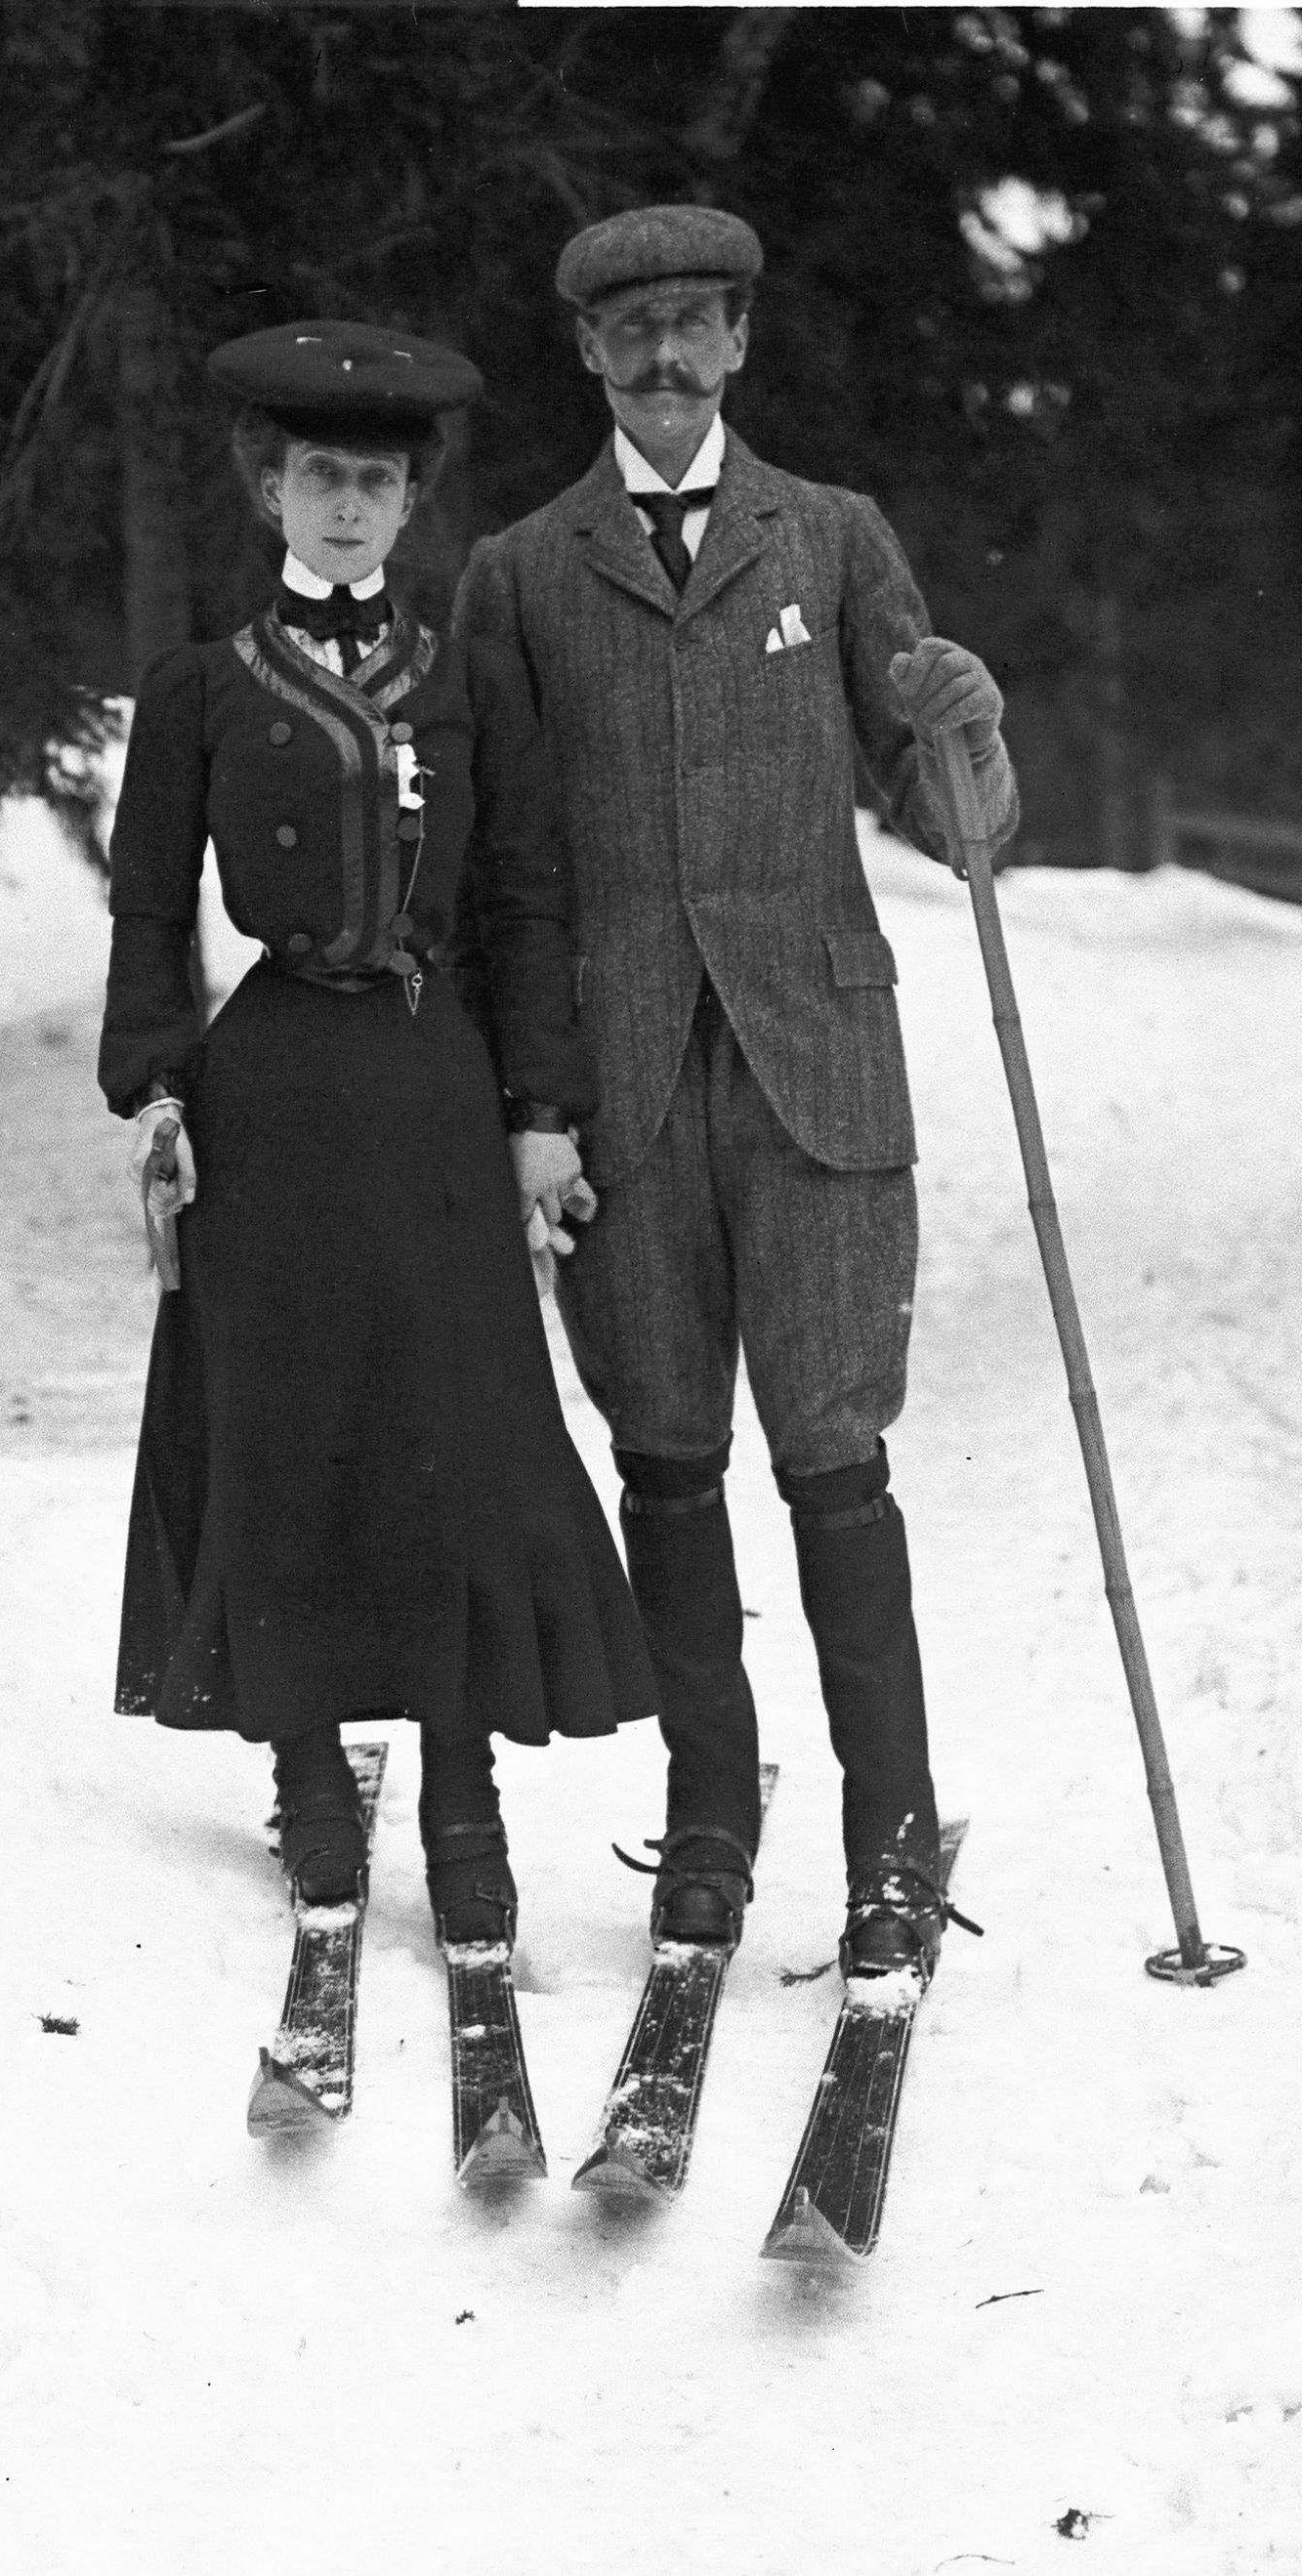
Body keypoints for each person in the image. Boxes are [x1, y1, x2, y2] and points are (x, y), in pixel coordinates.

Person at [450, 207, 1019, 1976]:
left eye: (700, 326)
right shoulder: (522, 574)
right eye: (637, 333)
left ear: (744, 342)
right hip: (620, 1086)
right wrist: (526, 1105)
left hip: (818, 1075)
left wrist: (971, 728)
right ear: (589, 357)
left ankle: (891, 1840)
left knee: (838, 1460)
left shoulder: (832, 539)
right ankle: (712, 1821)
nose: (671, 359)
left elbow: (962, 827)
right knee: (670, 1461)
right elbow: (498, 879)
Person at [100, 317, 653, 1950]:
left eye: (377, 481)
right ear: (271, 492)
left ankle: (465, 1799)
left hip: (428, 1079)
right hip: (272, 1091)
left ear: (413, 504)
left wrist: (541, 1113)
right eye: (316, 477)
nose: (346, 506)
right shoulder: (203, 686)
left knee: (458, 1430)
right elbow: (148, 916)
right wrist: (163, 1095)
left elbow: (522, 899)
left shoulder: (465, 674)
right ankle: (312, 1786)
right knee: (284, 1426)